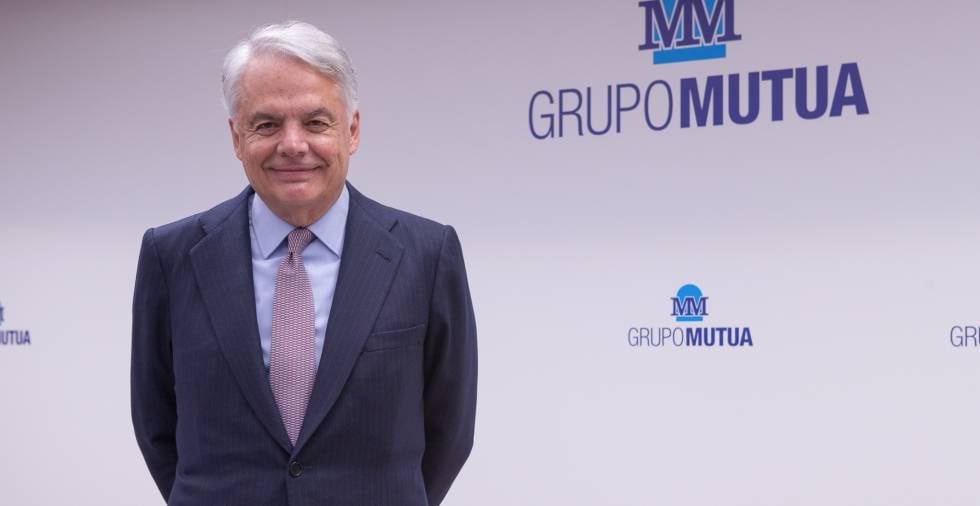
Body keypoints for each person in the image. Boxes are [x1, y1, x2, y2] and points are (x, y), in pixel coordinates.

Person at [131, 21, 477, 506]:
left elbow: (450, 432)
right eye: (267, 125)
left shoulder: (427, 255)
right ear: (236, 136)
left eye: (316, 122)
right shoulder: (171, 256)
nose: (293, 145)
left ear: (351, 130)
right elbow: (156, 425)